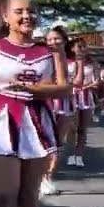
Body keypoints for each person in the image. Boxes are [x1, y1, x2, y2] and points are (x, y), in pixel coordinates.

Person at [0, 0, 73, 207]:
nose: (27, 16)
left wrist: (33, 90)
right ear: (6, 17)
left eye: (32, 11)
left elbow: (64, 88)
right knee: (2, 192)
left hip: (36, 122)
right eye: (19, 11)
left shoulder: (50, 51)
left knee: (29, 196)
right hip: (1, 122)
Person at [39, 27, 79, 197]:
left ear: (64, 40)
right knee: (44, 141)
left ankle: (48, 177)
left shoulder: (72, 61)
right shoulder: (42, 58)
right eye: (49, 39)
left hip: (64, 102)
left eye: (56, 39)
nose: (53, 42)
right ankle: (42, 177)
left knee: (57, 142)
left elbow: (77, 83)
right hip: (46, 101)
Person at [68, 38, 101, 168]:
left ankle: (79, 155)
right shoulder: (68, 62)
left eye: (84, 46)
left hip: (86, 97)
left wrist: (88, 86)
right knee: (73, 127)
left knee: (83, 128)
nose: (82, 49)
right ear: (72, 48)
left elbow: (97, 81)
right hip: (71, 95)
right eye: (79, 46)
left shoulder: (92, 63)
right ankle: (71, 153)